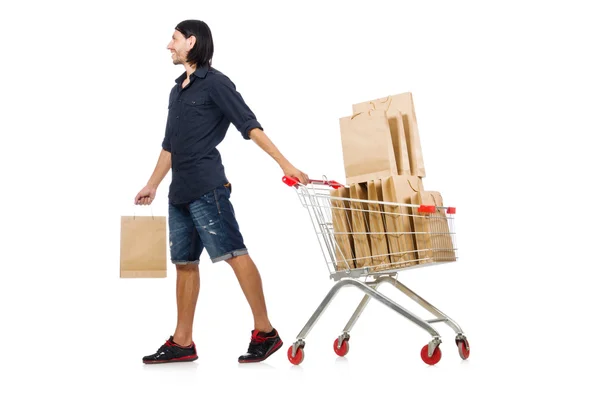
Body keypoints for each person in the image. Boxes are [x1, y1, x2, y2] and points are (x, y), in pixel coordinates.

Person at [134, 19, 309, 364]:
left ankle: (266, 332)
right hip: (179, 192)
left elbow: (249, 124)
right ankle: (183, 341)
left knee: (233, 253)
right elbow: (170, 144)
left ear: (191, 42)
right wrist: (153, 184)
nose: (169, 45)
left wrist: (285, 164)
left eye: (174, 39)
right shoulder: (177, 90)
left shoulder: (216, 84)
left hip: (208, 188)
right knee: (184, 264)